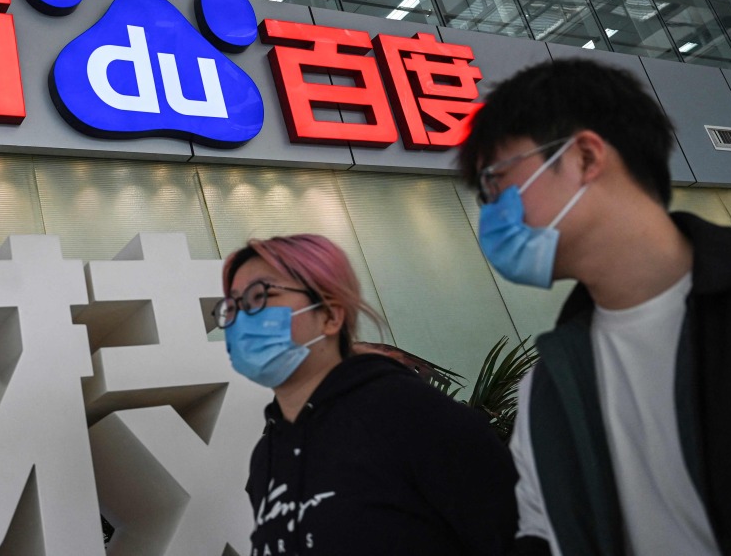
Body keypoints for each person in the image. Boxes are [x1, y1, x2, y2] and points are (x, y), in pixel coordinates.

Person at [457, 58, 731, 556]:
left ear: (586, 156)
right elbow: (542, 534)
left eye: (497, 181)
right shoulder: (549, 386)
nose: (492, 211)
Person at [215, 233, 517, 556]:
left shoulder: (412, 416)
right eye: (232, 307)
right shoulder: (268, 455)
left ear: (331, 315)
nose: (241, 319)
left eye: (260, 296)